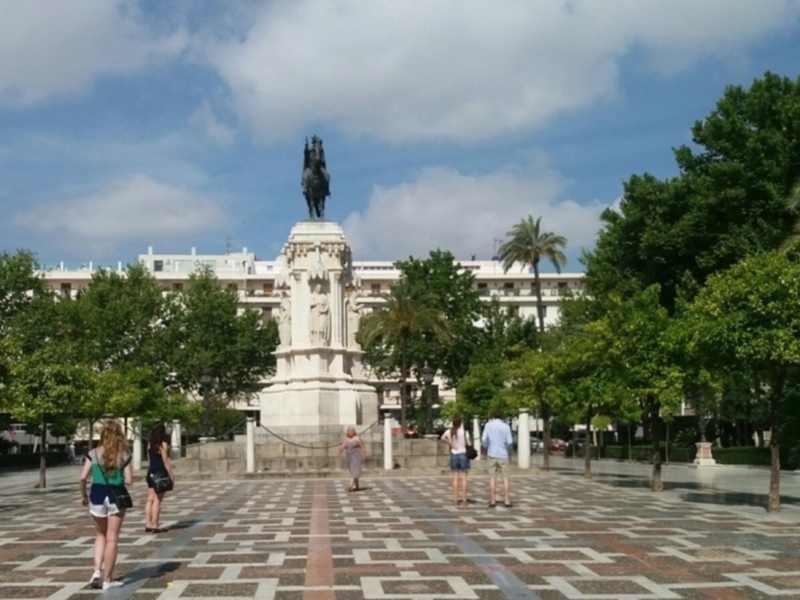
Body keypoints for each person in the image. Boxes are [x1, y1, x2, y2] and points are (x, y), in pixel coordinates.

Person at [79, 420, 133, 590]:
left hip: (97, 495)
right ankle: (108, 579)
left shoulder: (93, 453)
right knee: (112, 539)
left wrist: (83, 495)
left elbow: (83, 477)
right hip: (116, 496)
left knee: (100, 535)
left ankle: (96, 571)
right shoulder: (123, 455)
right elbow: (129, 481)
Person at [144, 422, 175, 534]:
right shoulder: (162, 445)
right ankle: (155, 525)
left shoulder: (149, 444)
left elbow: (149, 460)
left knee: (149, 499)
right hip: (160, 473)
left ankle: (148, 523)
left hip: (151, 472)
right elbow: (165, 461)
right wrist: (171, 475)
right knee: (157, 500)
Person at [480, 409, 514, 508]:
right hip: (503, 454)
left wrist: (486, 446)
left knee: (492, 478)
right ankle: (506, 500)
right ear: (502, 416)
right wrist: (505, 447)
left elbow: (484, 439)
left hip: (492, 453)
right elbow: (510, 441)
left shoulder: (488, 425)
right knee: (505, 478)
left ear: (493, 416)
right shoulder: (506, 426)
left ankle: (493, 500)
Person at [439, 416, 472, 506]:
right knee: (464, 478)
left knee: (455, 478)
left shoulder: (449, 431)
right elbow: (469, 443)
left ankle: (455, 500)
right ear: (461, 423)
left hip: (454, 454)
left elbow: (442, 437)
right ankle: (464, 500)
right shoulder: (464, 432)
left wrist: (451, 443)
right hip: (463, 454)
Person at [338, 426, 366, 492]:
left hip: (357, 457)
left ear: (354, 431)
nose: (350, 432)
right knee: (353, 471)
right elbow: (342, 446)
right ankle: (357, 486)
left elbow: (362, 447)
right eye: (349, 431)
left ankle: (350, 485)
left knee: (355, 470)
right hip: (349, 457)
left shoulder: (357, 438)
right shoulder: (346, 439)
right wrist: (340, 452)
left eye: (351, 431)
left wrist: (363, 455)